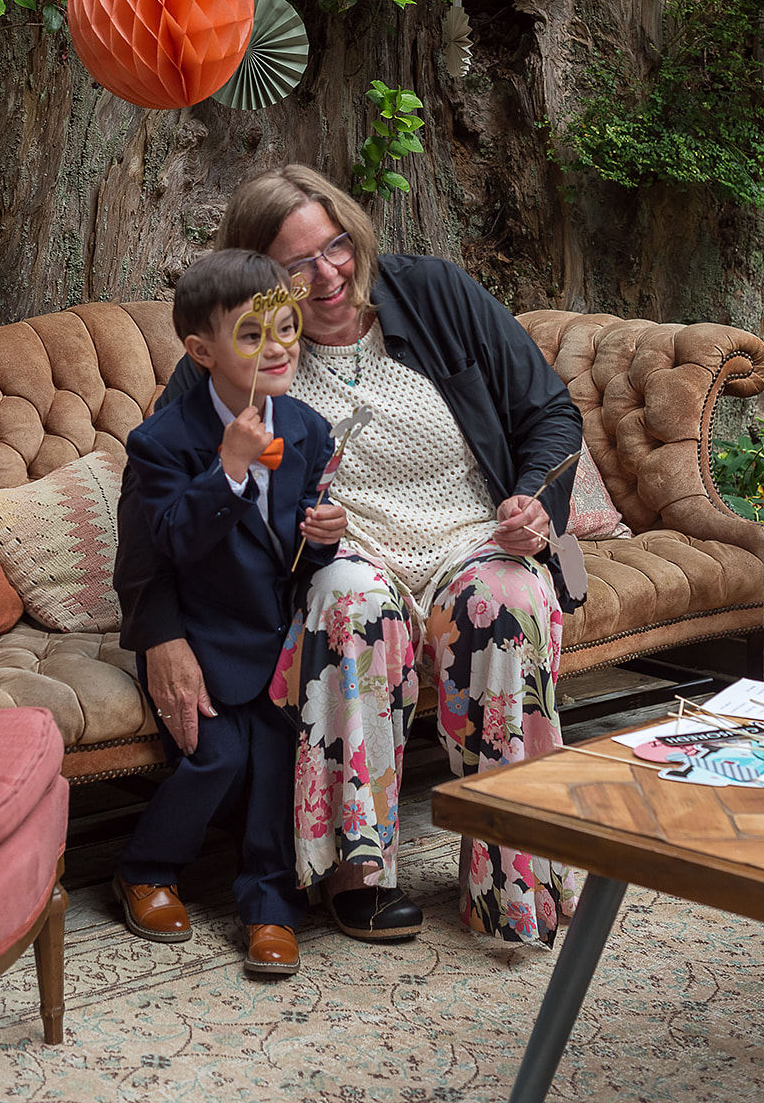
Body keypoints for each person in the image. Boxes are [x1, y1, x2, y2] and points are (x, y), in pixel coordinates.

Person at [130, 167, 585, 947]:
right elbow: (151, 495)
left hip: (472, 540)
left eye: (336, 245)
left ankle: (516, 874)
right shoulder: (245, 347)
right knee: (350, 601)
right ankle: (358, 875)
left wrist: (533, 503)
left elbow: (548, 411)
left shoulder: (434, 293)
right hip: (348, 558)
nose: (329, 273)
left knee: (508, 602)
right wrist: (160, 633)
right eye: (297, 266)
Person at [113, 248, 346, 975]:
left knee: (278, 760)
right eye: (252, 334)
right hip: (202, 635)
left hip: (279, 639)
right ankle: (146, 868)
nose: (278, 346)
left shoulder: (308, 429)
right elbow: (170, 544)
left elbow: (295, 552)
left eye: (287, 328)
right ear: (201, 351)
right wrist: (231, 468)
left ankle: (270, 905)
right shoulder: (161, 442)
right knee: (219, 755)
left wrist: (322, 538)